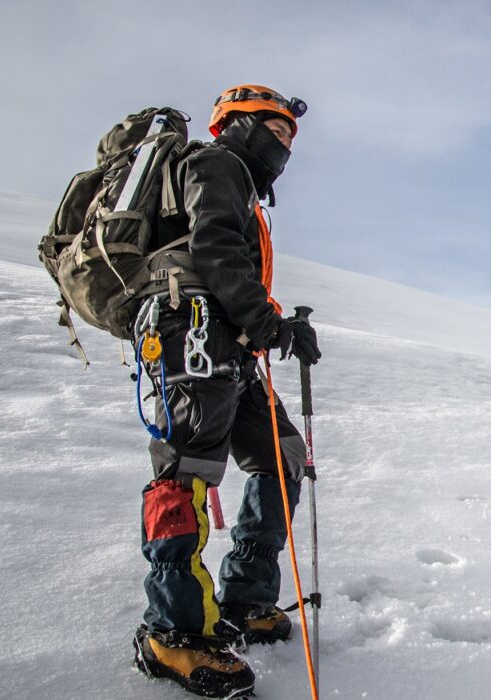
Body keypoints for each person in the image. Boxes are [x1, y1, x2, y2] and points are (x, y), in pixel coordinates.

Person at [131, 84, 322, 698]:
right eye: (275, 127)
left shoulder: (240, 180)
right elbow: (213, 247)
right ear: (236, 123)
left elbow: (227, 257)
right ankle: (173, 632)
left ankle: (245, 596)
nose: (284, 141)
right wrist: (268, 323)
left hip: (230, 342)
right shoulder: (215, 163)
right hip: (189, 330)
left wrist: (273, 326)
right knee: (185, 474)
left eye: (290, 133)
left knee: (281, 456)